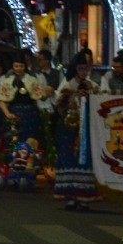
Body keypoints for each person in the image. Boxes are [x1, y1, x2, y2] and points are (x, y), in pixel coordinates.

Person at [0, 58, 52, 191]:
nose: (18, 68)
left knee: (30, 145)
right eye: (16, 66)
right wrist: (7, 113)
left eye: (21, 66)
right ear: (12, 66)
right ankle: (12, 175)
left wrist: (48, 92)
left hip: (30, 115)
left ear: (25, 67)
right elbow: (0, 99)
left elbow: (41, 96)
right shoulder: (7, 80)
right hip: (14, 115)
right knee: (13, 145)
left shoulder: (31, 79)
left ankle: (29, 176)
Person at [52, 61, 102, 209]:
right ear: (75, 69)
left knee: (84, 159)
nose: (83, 72)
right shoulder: (67, 85)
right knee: (68, 157)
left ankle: (84, 197)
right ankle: (70, 197)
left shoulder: (93, 86)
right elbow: (58, 104)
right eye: (80, 68)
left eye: (86, 69)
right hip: (68, 127)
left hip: (86, 128)